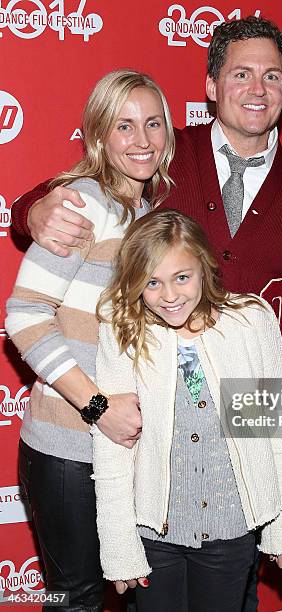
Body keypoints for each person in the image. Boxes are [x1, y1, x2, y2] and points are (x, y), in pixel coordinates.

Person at [10, 17, 282, 342]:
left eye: (271, 76)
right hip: (160, 391)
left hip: (253, 396)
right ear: (212, 86)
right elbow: (82, 183)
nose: (258, 90)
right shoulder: (160, 152)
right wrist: (33, 210)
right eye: (242, 74)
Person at [5, 69, 175, 611]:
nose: (142, 140)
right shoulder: (83, 203)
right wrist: (99, 406)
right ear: (100, 136)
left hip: (114, 448)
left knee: (107, 593)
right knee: (73, 600)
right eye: (124, 126)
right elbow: (25, 315)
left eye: (153, 124)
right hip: (67, 449)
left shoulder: (146, 216)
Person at [92, 208, 282, 612]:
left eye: (182, 277)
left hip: (231, 527)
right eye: (152, 282)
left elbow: (279, 431)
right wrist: (118, 544)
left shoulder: (248, 322)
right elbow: (113, 448)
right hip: (154, 531)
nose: (169, 296)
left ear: (205, 267)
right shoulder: (123, 329)